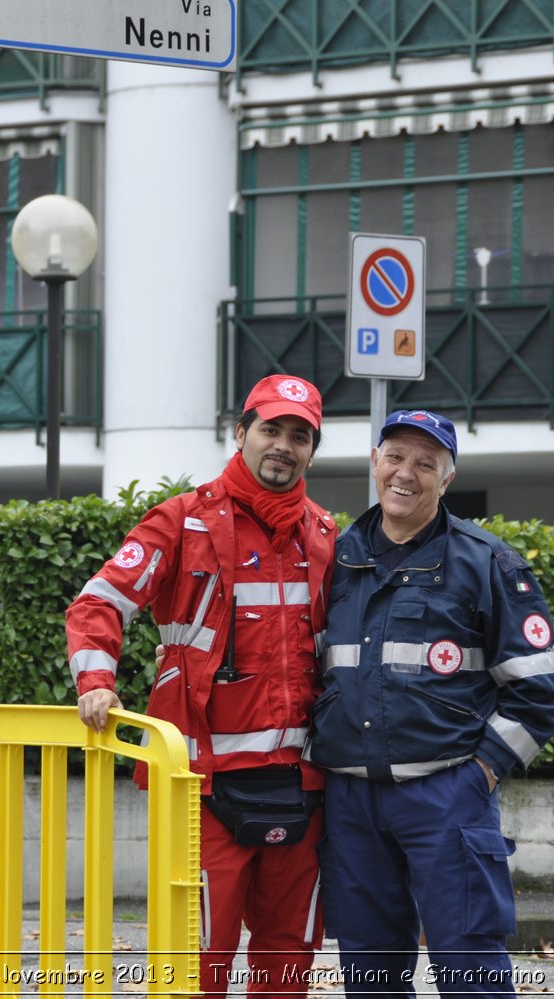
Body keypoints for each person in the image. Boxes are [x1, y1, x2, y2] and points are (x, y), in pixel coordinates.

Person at [66, 375, 339, 998]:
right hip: (201, 784)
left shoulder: (324, 534)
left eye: (300, 436)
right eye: (271, 429)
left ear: (312, 451)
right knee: (200, 959)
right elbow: (98, 605)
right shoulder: (181, 521)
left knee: (289, 957)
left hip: (305, 783)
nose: (283, 446)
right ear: (240, 433)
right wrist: (97, 680)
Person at [309, 409, 554, 997]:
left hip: (446, 797)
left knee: (471, 975)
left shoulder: (488, 563)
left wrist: (480, 774)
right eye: (395, 457)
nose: (407, 473)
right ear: (374, 462)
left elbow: (540, 691)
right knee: (370, 978)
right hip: (350, 804)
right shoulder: (332, 558)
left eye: (426, 464)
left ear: (446, 480)